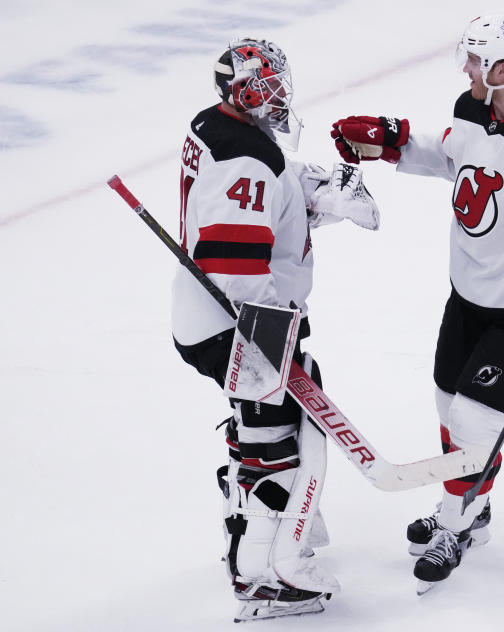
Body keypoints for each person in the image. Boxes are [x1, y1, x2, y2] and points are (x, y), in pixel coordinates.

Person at [330, 12, 504, 589]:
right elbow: (454, 154)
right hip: (466, 296)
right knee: (446, 408)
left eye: (479, 61)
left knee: (475, 423)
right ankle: (470, 507)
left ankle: (457, 523)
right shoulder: (473, 108)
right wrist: (395, 143)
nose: (468, 69)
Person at [173, 37, 379, 621]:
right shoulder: (247, 158)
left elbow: (259, 195)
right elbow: (234, 264)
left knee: (262, 429)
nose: (281, 94)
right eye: (273, 84)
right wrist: (269, 342)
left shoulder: (217, 126)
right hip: (242, 324)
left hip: (214, 317)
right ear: (251, 88)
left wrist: (305, 197)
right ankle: (265, 577)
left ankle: (259, 541)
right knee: (273, 442)